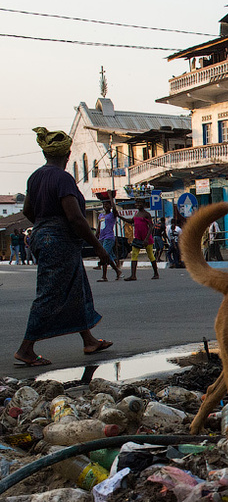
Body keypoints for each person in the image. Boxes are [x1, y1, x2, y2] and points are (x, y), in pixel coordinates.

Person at [14, 127, 115, 367]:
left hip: (44, 236)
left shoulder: (36, 176)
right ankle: (25, 349)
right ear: (68, 155)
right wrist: (98, 247)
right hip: (57, 241)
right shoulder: (62, 178)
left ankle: (89, 340)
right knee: (50, 293)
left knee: (77, 286)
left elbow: (28, 210)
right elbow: (75, 217)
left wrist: (44, 225)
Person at [120, 198, 160, 281]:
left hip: (146, 239)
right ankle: (133, 275)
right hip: (138, 238)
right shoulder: (136, 214)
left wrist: (146, 238)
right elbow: (131, 221)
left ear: (144, 204)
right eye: (136, 203)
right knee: (134, 255)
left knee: (150, 256)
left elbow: (151, 226)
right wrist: (119, 216)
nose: (137, 204)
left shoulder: (146, 214)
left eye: (139, 203)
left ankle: (156, 273)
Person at [96, 200, 123, 281]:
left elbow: (115, 210)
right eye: (104, 204)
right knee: (108, 256)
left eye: (107, 204)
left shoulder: (112, 215)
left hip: (109, 237)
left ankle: (104, 276)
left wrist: (111, 197)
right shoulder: (101, 215)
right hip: (102, 238)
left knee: (105, 255)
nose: (105, 206)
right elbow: (99, 226)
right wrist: (96, 235)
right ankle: (117, 271)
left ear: (111, 206)